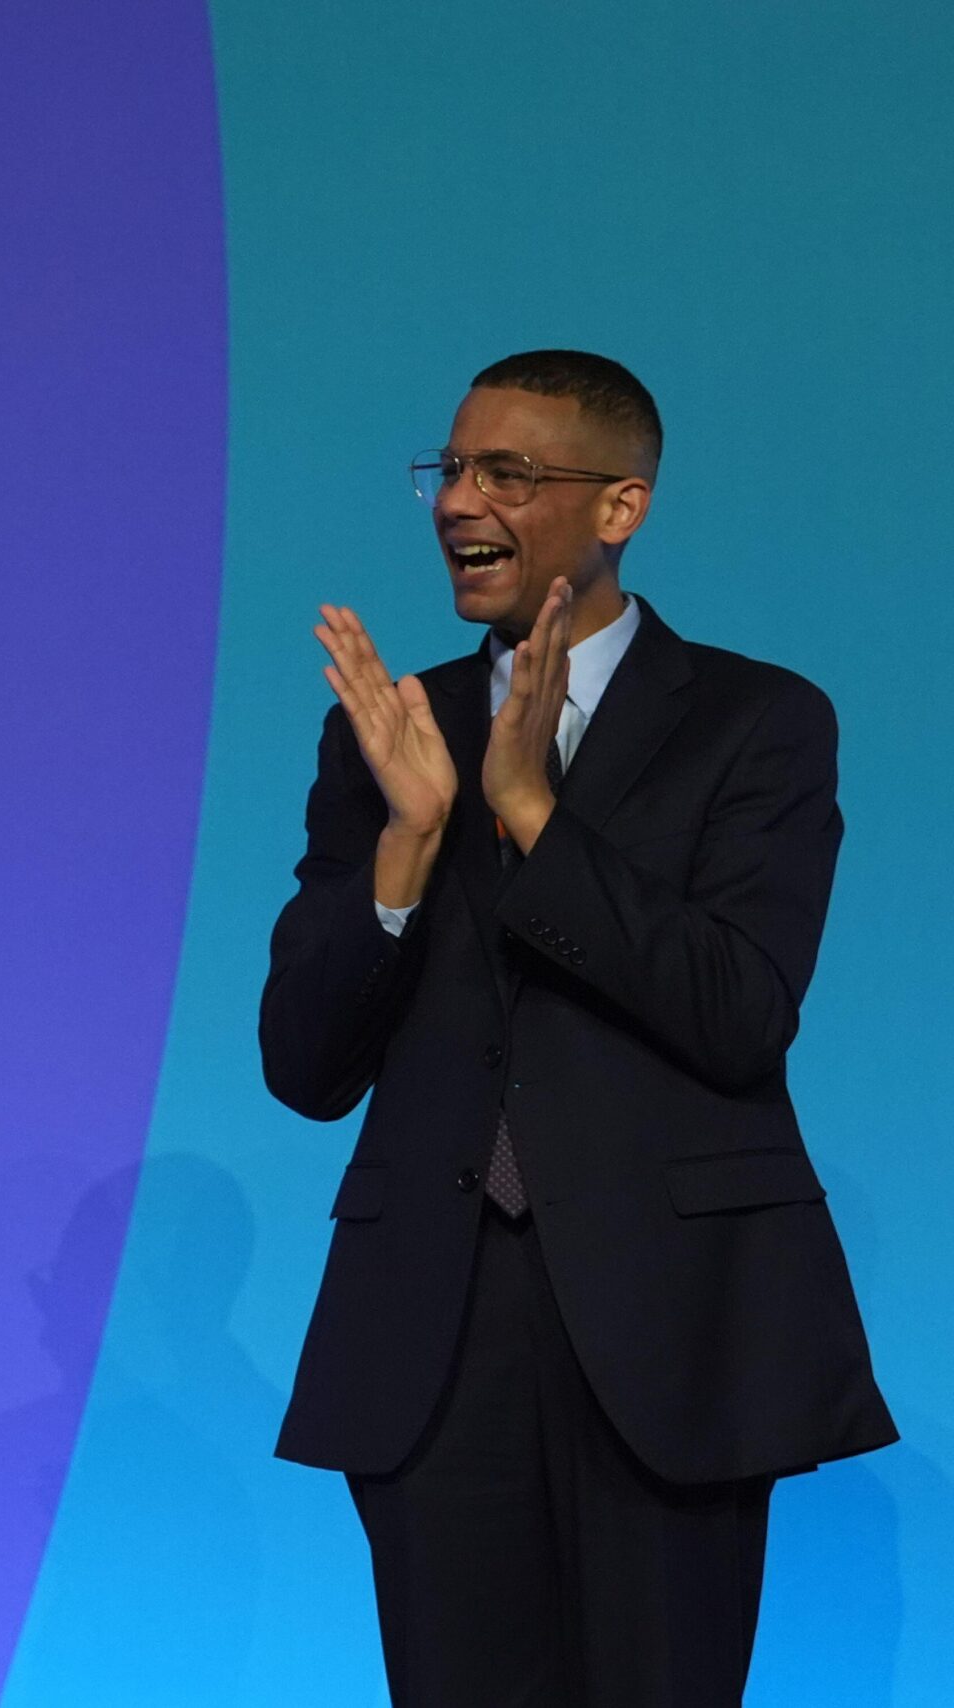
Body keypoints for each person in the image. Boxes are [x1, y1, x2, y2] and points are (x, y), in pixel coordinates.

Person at [261, 350, 895, 1706]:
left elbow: (738, 1011)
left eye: (509, 473)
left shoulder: (757, 722)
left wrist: (536, 816)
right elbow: (304, 1066)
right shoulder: (386, 733)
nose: (457, 502)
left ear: (621, 508)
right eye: (450, 469)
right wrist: (411, 845)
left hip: (675, 1325)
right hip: (435, 1325)